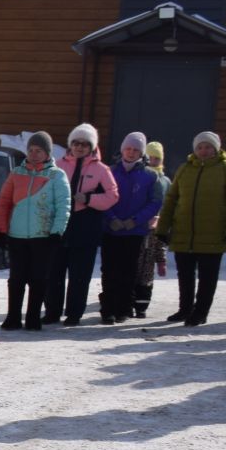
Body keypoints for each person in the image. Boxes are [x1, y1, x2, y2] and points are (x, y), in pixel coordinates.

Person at [156, 132, 226, 326]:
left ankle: (200, 311)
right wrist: (163, 227)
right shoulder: (185, 169)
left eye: (208, 147)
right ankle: (185, 308)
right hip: (183, 232)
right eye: (200, 147)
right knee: (185, 274)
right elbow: (171, 199)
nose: (203, 151)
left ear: (216, 149)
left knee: (208, 276)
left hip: (213, 233)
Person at [0, 131, 70, 330]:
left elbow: (64, 206)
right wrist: (1, 229)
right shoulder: (16, 173)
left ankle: (34, 316)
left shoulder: (56, 175)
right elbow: (3, 203)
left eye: (39, 150)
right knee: (16, 279)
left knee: (38, 278)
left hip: (42, 236)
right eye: (31, 150)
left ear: (47, 153)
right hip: (17, 235)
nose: (34, 154)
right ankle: (13, 316)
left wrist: (57, 231)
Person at [55, 123, 120, 326]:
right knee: (55, 271)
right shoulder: (58, 164)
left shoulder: (101, 169)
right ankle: (52, 311)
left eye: (85, 144)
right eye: (76, 143)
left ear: (91, 146)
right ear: (70, 144)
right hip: (61, 223)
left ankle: (74, 313)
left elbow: (112, 196)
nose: (80, 147)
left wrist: (88, 199)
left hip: (86, 224)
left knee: (80, 274)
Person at [101, 132, 163, 323]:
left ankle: (124, 309)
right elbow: (102, 196)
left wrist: (135, 220)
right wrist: (111, 218)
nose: (131, 152)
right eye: (128, 148)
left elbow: (155, 202)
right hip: (111, 230)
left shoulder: (150, 176)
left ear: (141, 153)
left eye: (136, 150)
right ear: (122, 150)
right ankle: (108, 309)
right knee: (110, 270)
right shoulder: (109, 171)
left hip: (134, 231)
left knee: (128, 271)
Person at [133, 140, 172, 317]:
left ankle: (142, 305)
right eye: (150, 157)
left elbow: (167, 203)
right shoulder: (140, 176)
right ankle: (129, 299)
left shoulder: (165, 181)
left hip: (156, 227)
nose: (153, 161)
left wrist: (164, 221)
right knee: (134, 264)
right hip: (139, 225)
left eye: (157, 158)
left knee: (148, 266)